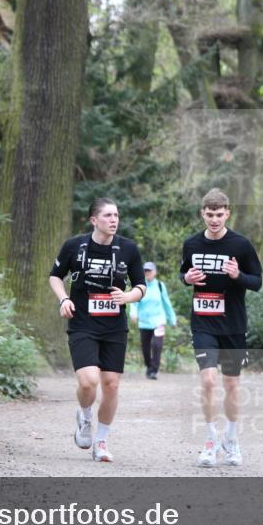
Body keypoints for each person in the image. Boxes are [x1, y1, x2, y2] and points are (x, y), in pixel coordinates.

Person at [48, 198, 146, 463]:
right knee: (88, 381)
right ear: (94, 220)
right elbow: (55, 276)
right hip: (83, 323)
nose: (114, 220)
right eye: (108, 215)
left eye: (116, 215)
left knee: (111, 384)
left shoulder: (128, 249)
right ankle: (85, 415)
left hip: (114, 325)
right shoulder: (74, 246)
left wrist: (128, 297)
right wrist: (64, 298)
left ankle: (101, 442)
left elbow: (141, 286)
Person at [180, 188, 263, 467]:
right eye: (209, 214)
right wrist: (186, 278)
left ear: (227, 213)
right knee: (208, 381)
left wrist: (237, 275)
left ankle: (232, 439)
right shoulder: (191, 244)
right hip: (203, 323)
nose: (214, 219)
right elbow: (184, 273)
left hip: (233, 325)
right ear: (202, 213)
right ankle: (210, 441)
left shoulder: (241, 245)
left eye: (219, 214)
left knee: (231, 384)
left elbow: (257, 282)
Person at [128, 262, 177, 380]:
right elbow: (134, 303)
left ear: (154, 272)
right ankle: (149, 366)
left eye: (149, 271)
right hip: (144, 322)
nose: (147, 273)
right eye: (145, 271)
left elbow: (166, 303)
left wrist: (172, 319)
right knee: (145, 348)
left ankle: (154, 370)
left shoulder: (160, 286)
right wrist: (133, 313)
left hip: (159, 321)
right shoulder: (140, 286)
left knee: (156, 344)